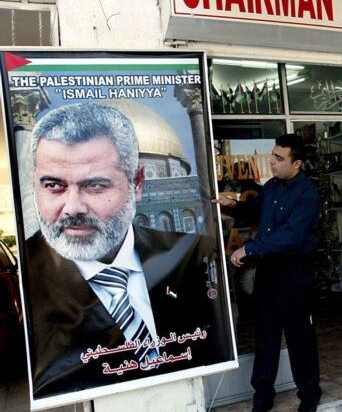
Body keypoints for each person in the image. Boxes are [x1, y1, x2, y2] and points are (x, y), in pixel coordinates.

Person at [25, 103, 234, 399]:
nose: (72, 208)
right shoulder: (30, 278)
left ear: (136, 183)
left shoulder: (193, 256)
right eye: (54, 185)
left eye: (95, 185)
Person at [214, 134, 322, 412]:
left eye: (278, 158)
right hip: (269, 273)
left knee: (300, 338)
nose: (271, 162)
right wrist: (234, 205)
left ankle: (309, 395)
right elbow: (256, 212)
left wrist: (249, 249)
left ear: (296, 163)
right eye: (272, 156)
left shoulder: (308, 193)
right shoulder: (271, 187)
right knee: (266, 337)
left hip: (295, 272)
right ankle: (262, 398)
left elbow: (292, 236)